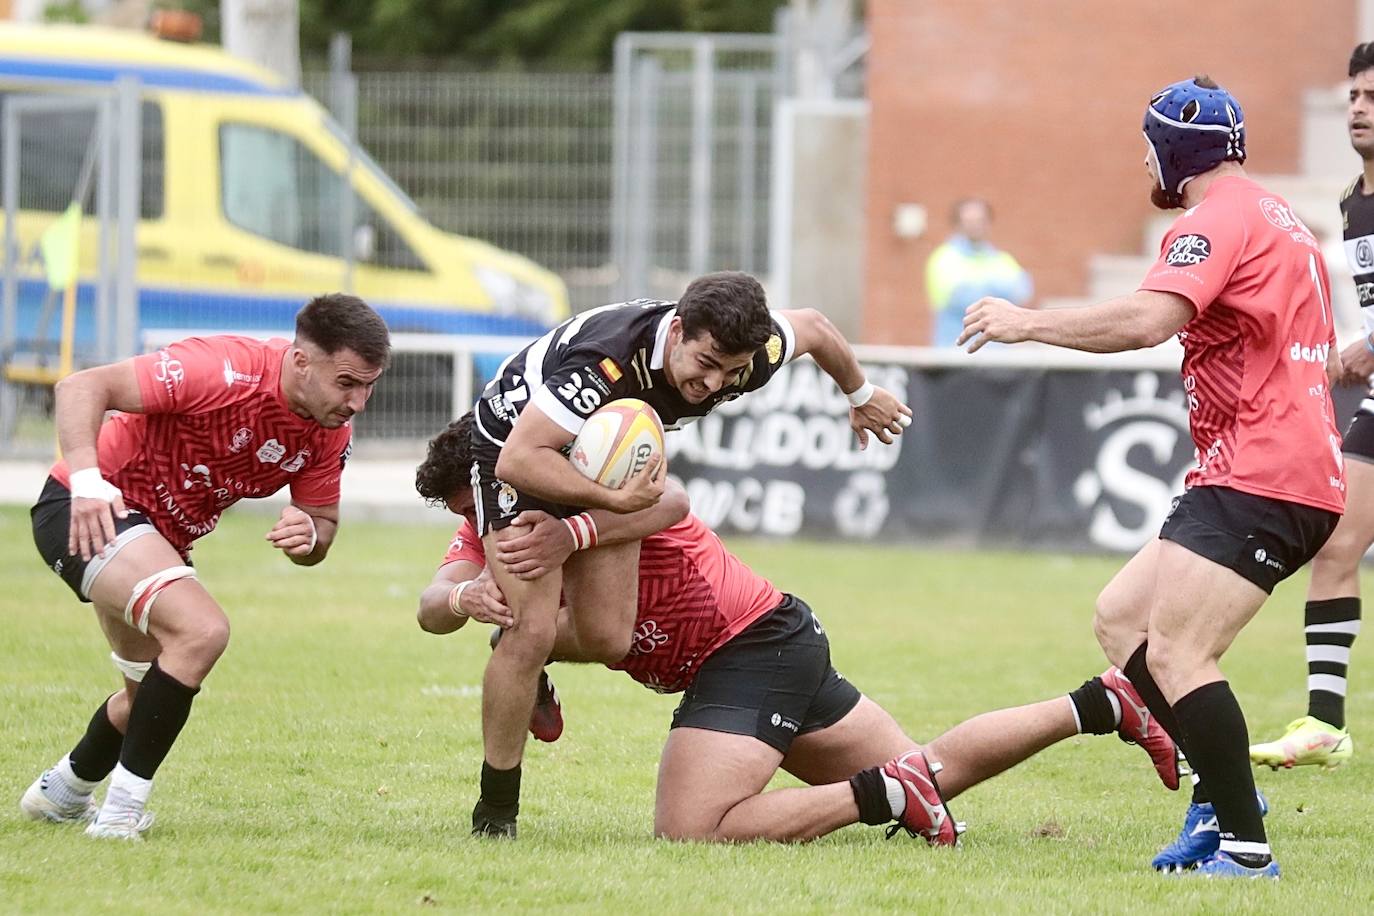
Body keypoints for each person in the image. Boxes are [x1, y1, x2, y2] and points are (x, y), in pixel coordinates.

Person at [414, 414, 1178, 844]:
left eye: (474, 503)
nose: (475, 522)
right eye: (464, 514)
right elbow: (433, 599)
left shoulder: (596, 491)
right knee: (938, 779)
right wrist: (466, 602)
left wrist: (532, 617)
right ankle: (1103, 702)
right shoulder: (497, 523)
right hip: (778, 639)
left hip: (748, 647)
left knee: (693, 831)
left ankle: (887, 793)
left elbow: (671, 505)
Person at [959, 76, 1345, 878]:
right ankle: (1220, 791)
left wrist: (1026, 321)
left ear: (1175, 149)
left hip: (1263, 468)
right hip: (1271, 464)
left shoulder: (1217, 220)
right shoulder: (1283, 219)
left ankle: (1244, 845)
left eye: (1149, 147)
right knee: (1122, 618)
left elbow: (1148, 319)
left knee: (1176, 651)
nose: (1145, 161)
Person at [466, 271, 913, 837]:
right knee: (531, 628)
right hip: (516, 449)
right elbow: (518, 459)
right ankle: (496, 810)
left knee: (608, 638)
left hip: (602, 454)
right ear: (677, 331)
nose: (714, 383)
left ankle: (522, 652)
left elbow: (818, 330)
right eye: (705, 364)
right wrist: (612, 503)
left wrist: (861, 395)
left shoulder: (750, 356)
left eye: (731, 371)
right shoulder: (606, 361)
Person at [20, 293, 390, 840]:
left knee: (144, 696)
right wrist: (89, 484)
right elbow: (81, 387)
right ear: (302, 361)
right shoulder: (223, 370)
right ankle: (120, 816)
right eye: (347, 383)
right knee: (202, 631)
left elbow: (322, 523)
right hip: (91, 511)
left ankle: (60, 794)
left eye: (368, 385)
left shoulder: (329, 427)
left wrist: (310, 535)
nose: (358, 402)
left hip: (158, 539)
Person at [1248, 43, 1374, 772]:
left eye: (1372, 97)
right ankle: (1326, 724)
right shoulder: (1353, 200)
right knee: (1335, 544)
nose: (1358, 108)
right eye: (1353, 95)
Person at [924, 198, 1033, 347]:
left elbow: (1022, 292)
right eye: (968, 221)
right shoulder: (944, 258)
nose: (975, 226)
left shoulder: (1002, 258)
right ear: (957, 224)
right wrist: (998, 289)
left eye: (980, 220)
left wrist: (979, 287)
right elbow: (962, 300)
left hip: (1000, 357)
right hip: (954, 354)